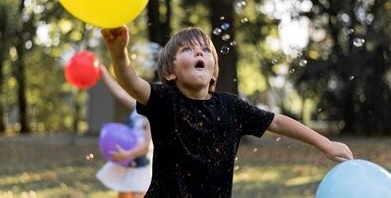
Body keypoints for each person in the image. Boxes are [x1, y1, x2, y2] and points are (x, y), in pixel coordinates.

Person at [101, 25, 353, 197]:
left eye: (205, 50)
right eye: (187, 50)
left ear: (214, 71)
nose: (199, 51)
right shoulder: (164, 100)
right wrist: (118, 52)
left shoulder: (231, 107)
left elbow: (277, 122)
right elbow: (130, 81)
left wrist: (324, 143)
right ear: (171, 73)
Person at [95, 65, 152, 198]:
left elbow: (147, 147)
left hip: (139, 164)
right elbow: (119, 93)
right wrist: (104, 74)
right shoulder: (136, 107)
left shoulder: (150, 116)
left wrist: (127, 154)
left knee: (139, 195)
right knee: (123, 194)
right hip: (126, 161)